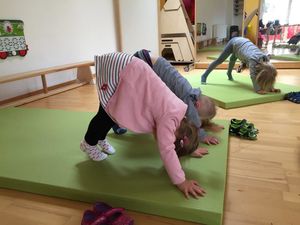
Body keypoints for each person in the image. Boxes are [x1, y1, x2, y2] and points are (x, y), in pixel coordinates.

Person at [81, 52, 206, 198]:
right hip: (122, 72)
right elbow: (167, 150)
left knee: (112, 113)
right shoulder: (169, 120)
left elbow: (175, 138)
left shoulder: (179, 110)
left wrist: (191, 149)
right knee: (105, 115)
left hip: (133, 73)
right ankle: (88, 143)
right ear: (176, 138)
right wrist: (181, 181)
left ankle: (100, 138)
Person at [133, 49, 221, 150]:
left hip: (148, 57)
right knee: (138, 98)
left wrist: (208, 125)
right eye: (198, 115)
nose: (195, 116)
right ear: (197, 105)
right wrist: (203, 136)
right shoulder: (189, 98)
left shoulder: (193, 93)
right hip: (145, 62)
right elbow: (193, 120)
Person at [201, 37, 281, 95]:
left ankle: (228, 74)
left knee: (234, 58)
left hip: (244, 45)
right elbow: (253, 76)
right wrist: (257, 89)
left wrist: (271, 87)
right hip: (235, 43)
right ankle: (204, 75)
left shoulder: (266, 59)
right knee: (220, 60)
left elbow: (270, 76)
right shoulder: (253, 60)